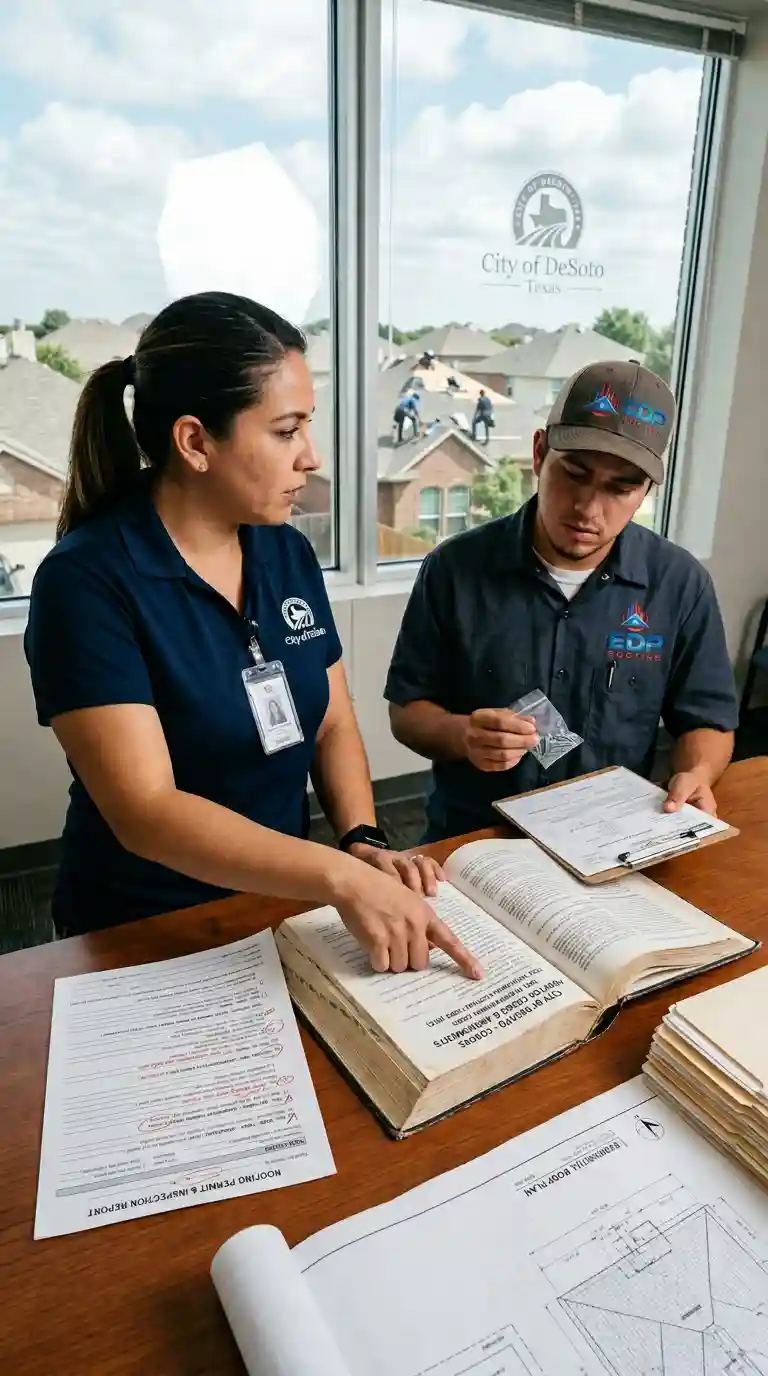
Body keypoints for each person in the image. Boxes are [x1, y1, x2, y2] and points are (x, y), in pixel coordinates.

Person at [25, 291, 481, 979]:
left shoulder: (284, 552)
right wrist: (342, 878)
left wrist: (359, 840)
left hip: (278, 902)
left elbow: (330, 722)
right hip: (142, 927)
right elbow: (146, 811)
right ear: (195, 441)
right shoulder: (87, 582)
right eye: (286, 430)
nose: (311, 456)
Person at [385, 360, 738, 841]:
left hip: (611, 837)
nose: (589, 509)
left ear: (647, 491)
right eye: (574, 474)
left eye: (621, 488)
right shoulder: (454, 569)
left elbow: (708, 721)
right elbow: (407, 710)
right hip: (475, 838)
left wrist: (696, 773)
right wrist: (460, 735)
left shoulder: (679, 584)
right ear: (538, 453)